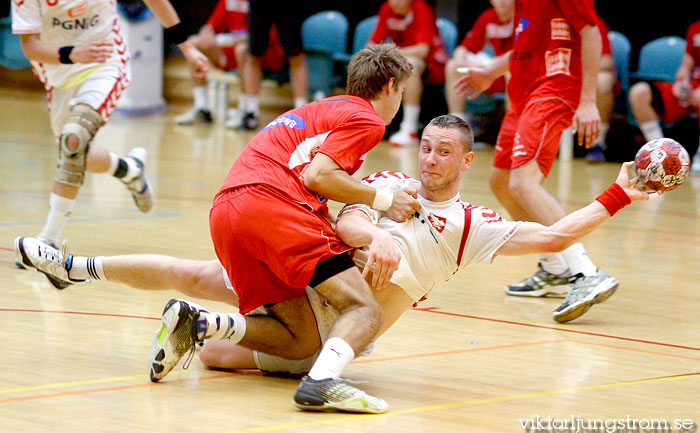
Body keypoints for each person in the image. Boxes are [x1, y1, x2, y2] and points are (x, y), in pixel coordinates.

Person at [15, 115, 658, 382]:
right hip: (332, 294)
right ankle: (77, 266)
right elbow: (345, 221)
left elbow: (554, 236)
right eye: (425, 146)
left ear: (466, 159)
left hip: (344, 324)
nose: (430, 159)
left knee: (215, 359)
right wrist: (376, 232)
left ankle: (199, 327)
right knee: (200, 273)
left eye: (443, 151)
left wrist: (623, 191)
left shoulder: (470, 222)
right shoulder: (386, 182)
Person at [11, 0, 209, 277]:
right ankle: (128, 169)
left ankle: (48, 241)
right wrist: (73, 53)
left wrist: (186, 48)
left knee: (74, 139)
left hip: (106, 65)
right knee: (77, 154)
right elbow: (30, 46)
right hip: (61, 73)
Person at [453, 0, 618, 317]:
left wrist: (588, 101)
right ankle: (554, 267)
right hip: (523, 94)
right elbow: (526, 47)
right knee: (501, 182)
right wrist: (490, 71)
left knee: (524, 184)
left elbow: (591, 33)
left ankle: (585, 271)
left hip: (553, 88)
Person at [172, 0, 285, 126]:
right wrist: (207, 34)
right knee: (193, 43)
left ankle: (246, 109)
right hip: (233, 49)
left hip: (262, 54)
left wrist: (244, 38)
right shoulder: (227, 1)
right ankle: (201, 107)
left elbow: (268, 35)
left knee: (242, 49)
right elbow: (210, 26)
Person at [369, 0, 450, 147]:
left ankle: (409, 129)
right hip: (400, 59)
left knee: (409, 64)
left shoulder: (421, 8)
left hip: (433, 65)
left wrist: (386, 54)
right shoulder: (387, 8)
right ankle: (367, 122)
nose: (395, 2)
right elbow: (371, 44)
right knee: (369, 62)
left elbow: (422, 50)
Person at [628, 18, 700, 171]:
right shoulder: (695, 28)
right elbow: (687, 65)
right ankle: (660, 152)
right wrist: (681, 82)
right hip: (693, 88)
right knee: (639, 92)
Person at [233, 1, 310, 130]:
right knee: (254, 55)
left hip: (289, 6)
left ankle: (301, 112)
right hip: (260, 5)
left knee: (296, 56)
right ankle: (251, 112)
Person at [444, 0, 514, 122]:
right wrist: (460, 60)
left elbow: (520, 53)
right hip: (492, 74)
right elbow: (463, 48)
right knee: (452, 66)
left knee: (511, 71)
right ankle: (456, 123)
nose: (502, 2)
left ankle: (513, 128)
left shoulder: (522, 17)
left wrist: (488, 63)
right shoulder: (488, 16)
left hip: (516, 73)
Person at [585, 14, 616, 163]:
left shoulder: (594, 22)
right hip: (559, 75)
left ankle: (597, 142)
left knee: (603, 80)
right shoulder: (549, 18)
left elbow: (606, 62)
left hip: (582, 76)